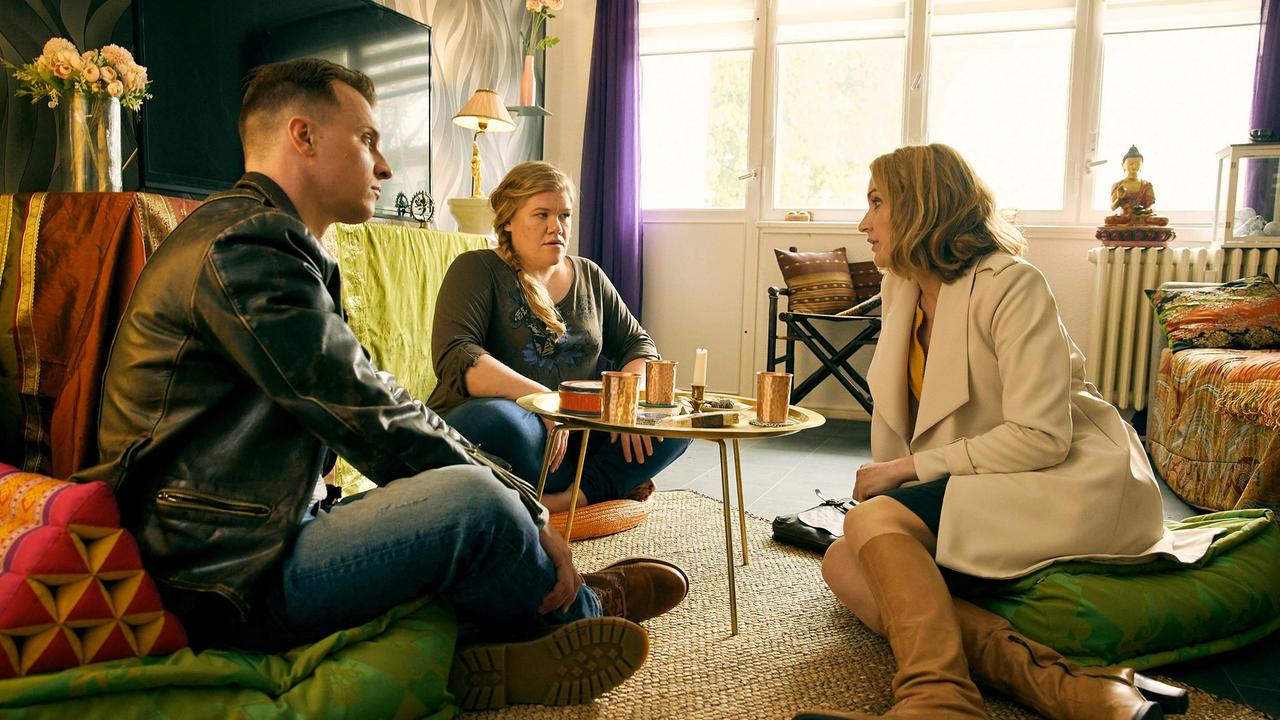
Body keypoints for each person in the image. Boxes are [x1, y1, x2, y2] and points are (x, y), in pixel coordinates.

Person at [71, 58, 689, 711]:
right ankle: (585, 613)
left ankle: (494, 635)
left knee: (472, 497)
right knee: (476, 505)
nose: (385, 164)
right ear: (302, 137)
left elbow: (371, 399)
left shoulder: (260, 236)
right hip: (222, 575)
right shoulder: (246, 247)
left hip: (261, 532)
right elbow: (369, 413)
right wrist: (531, 511)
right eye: (368, 139)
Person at [796, 144, 1193, 720]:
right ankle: (1075, 687)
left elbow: (1041, 437)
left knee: (870, 522)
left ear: (921, 207)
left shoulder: (1013, 284)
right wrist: (902, 482)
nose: (864, 223)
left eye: (877, 203)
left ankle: (939, 701)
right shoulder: (903, 288)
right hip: (986, 475)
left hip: (1066, 474)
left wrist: (905, 471)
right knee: (841, 560)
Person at [427, 161, 690, 513]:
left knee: (676, 417)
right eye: (541, 215)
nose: (557, 227)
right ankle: (603, 486)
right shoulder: (477, 268)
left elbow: (638, 345)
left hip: (575, 437)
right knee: (503, 424)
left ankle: (566, 500)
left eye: (564, 216)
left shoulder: (590, 275)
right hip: (514, 434)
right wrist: (543, 401)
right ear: (508, 220)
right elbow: (456, 356)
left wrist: (629, 403)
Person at [1105, 145, 1169, 226]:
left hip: (1143, 217)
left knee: (1164, 220)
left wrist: (1148, 210)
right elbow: (1113, 207)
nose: (1134, 167)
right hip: (1125, 217)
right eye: (1130, 164)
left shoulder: (1146, 185)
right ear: (1123, 165)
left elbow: (1152, 204)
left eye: (1137, 164)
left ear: (1141, 165)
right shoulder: (1118, 185)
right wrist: (1119, 198)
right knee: (1108, 220)